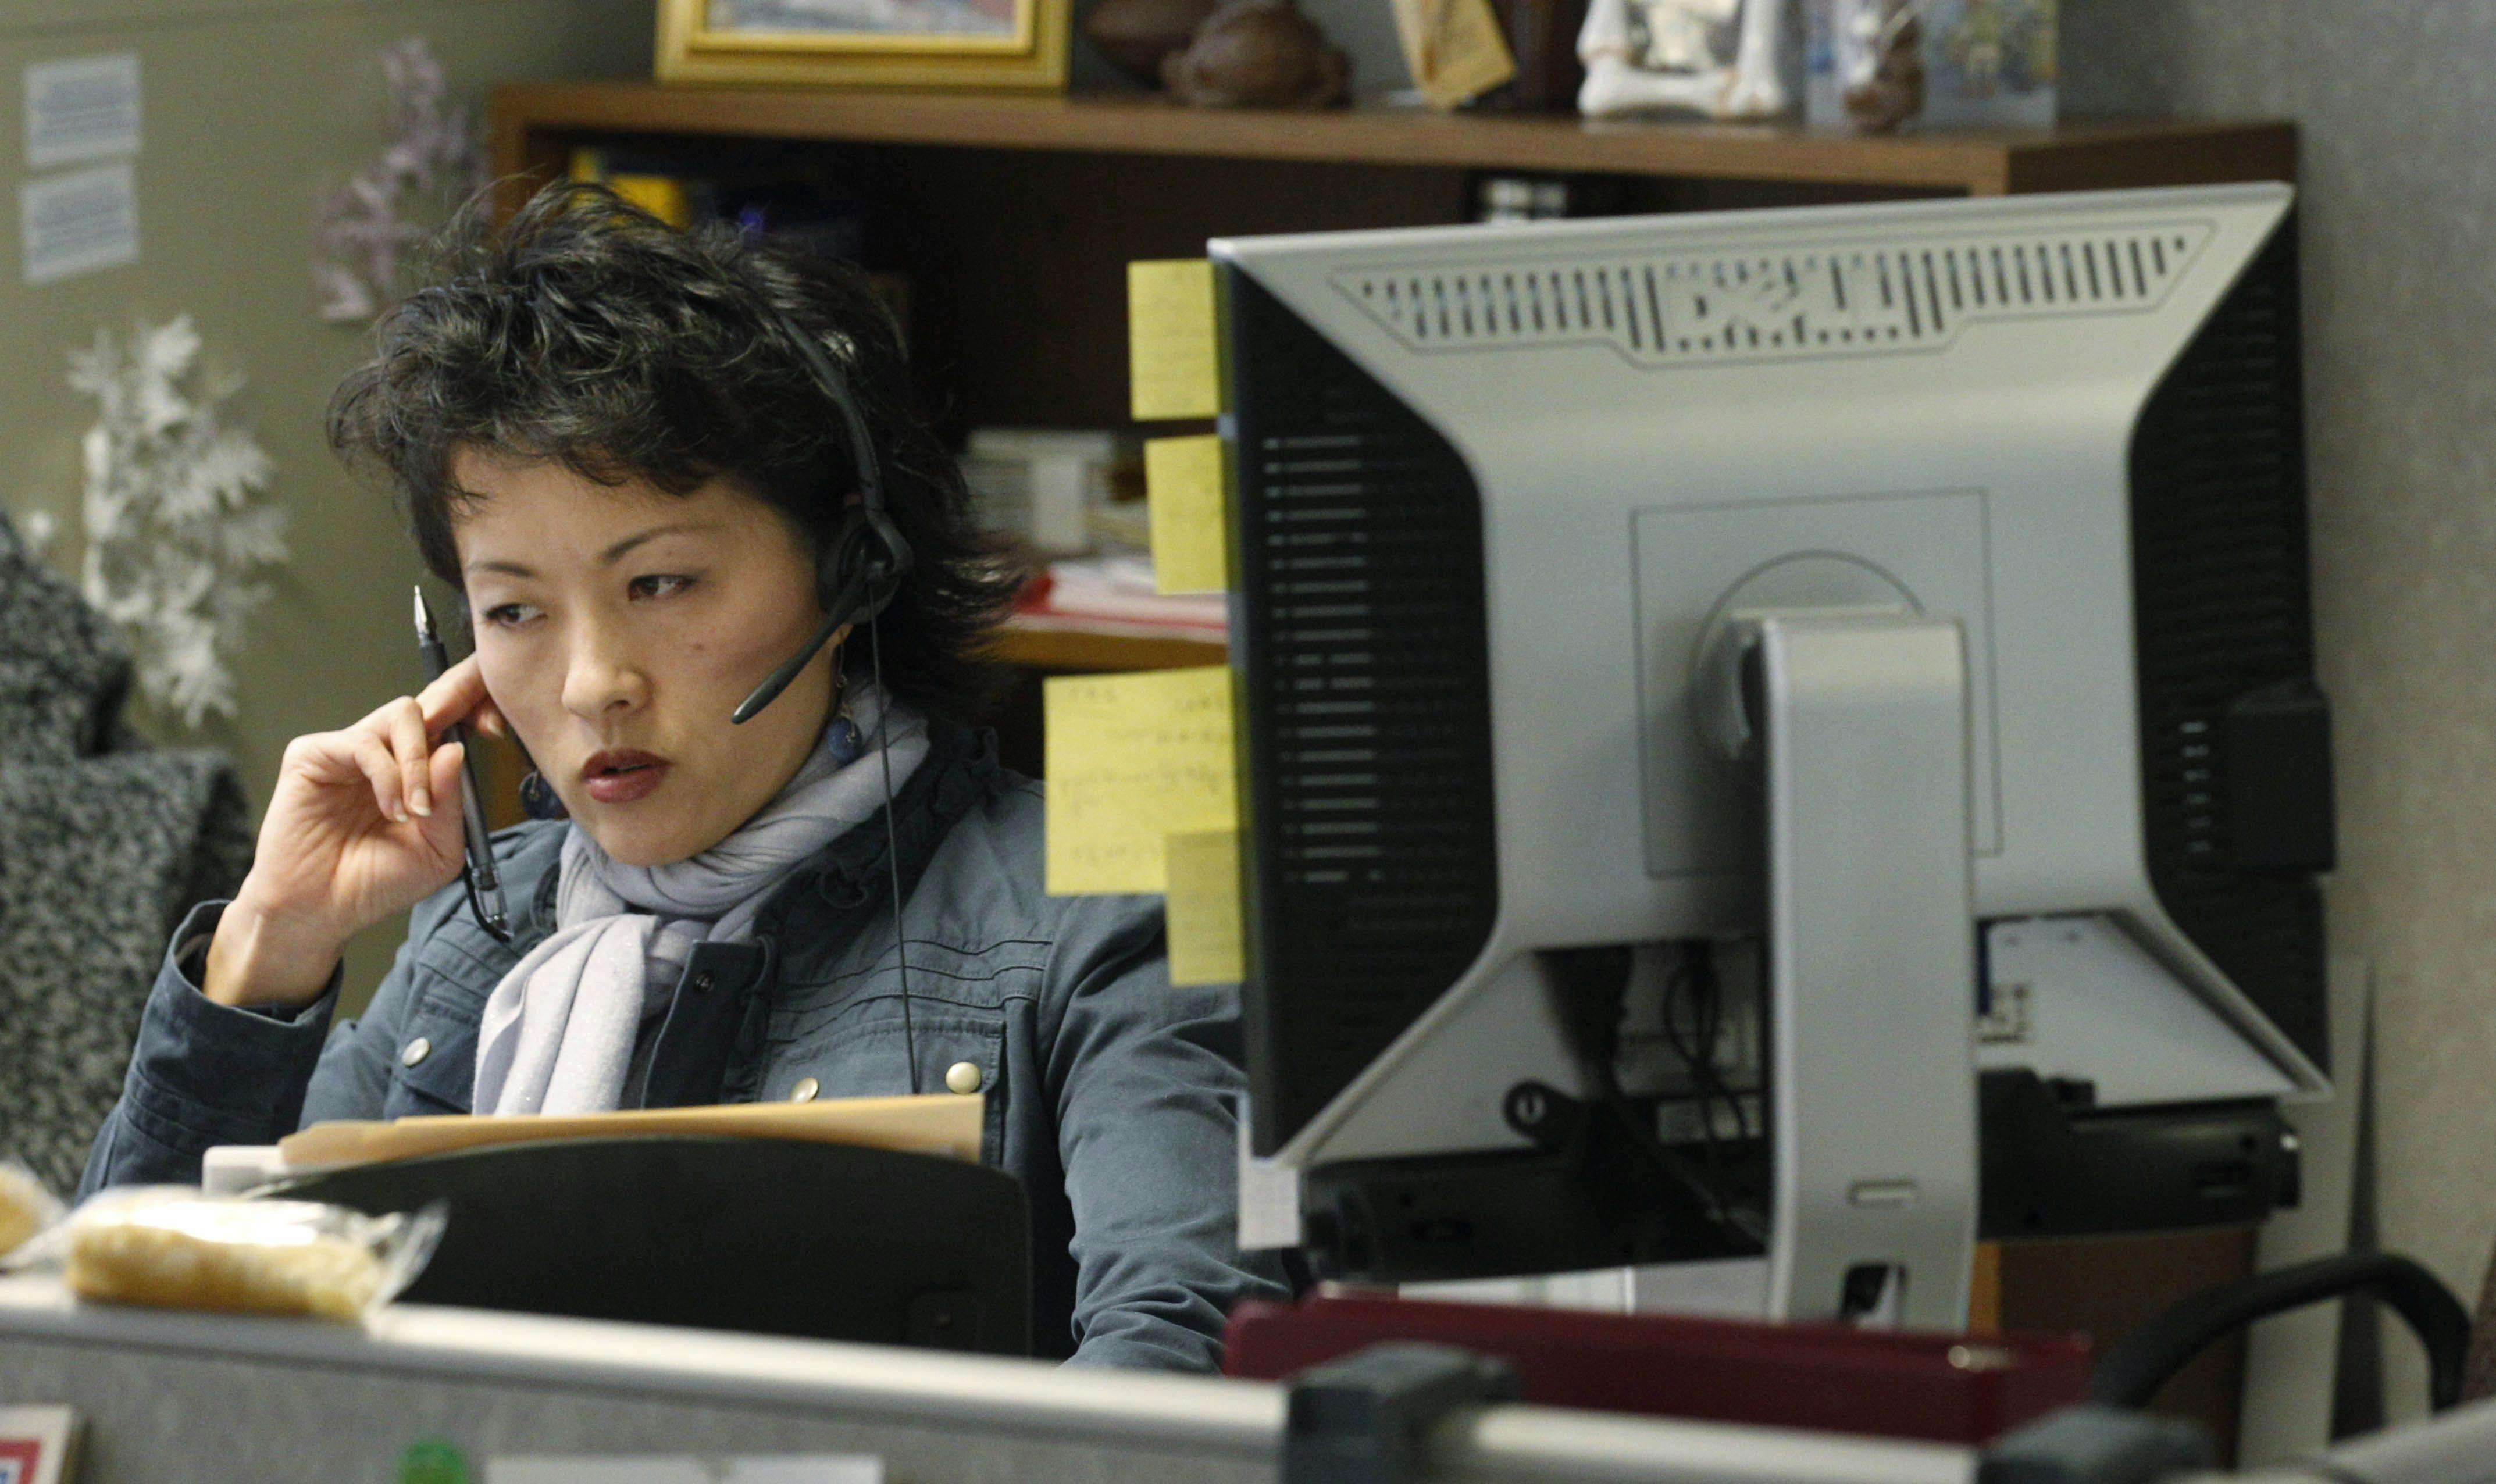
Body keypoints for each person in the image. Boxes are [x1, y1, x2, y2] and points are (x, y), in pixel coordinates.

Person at [80, 183, 1288, 1371]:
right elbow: (122, 1358)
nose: (593, 681)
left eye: (659, 584)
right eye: (514, 609)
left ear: (851, 565)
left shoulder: (1099, 918)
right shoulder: (480, 938)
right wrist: (271, 945)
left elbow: (1181, 1366)